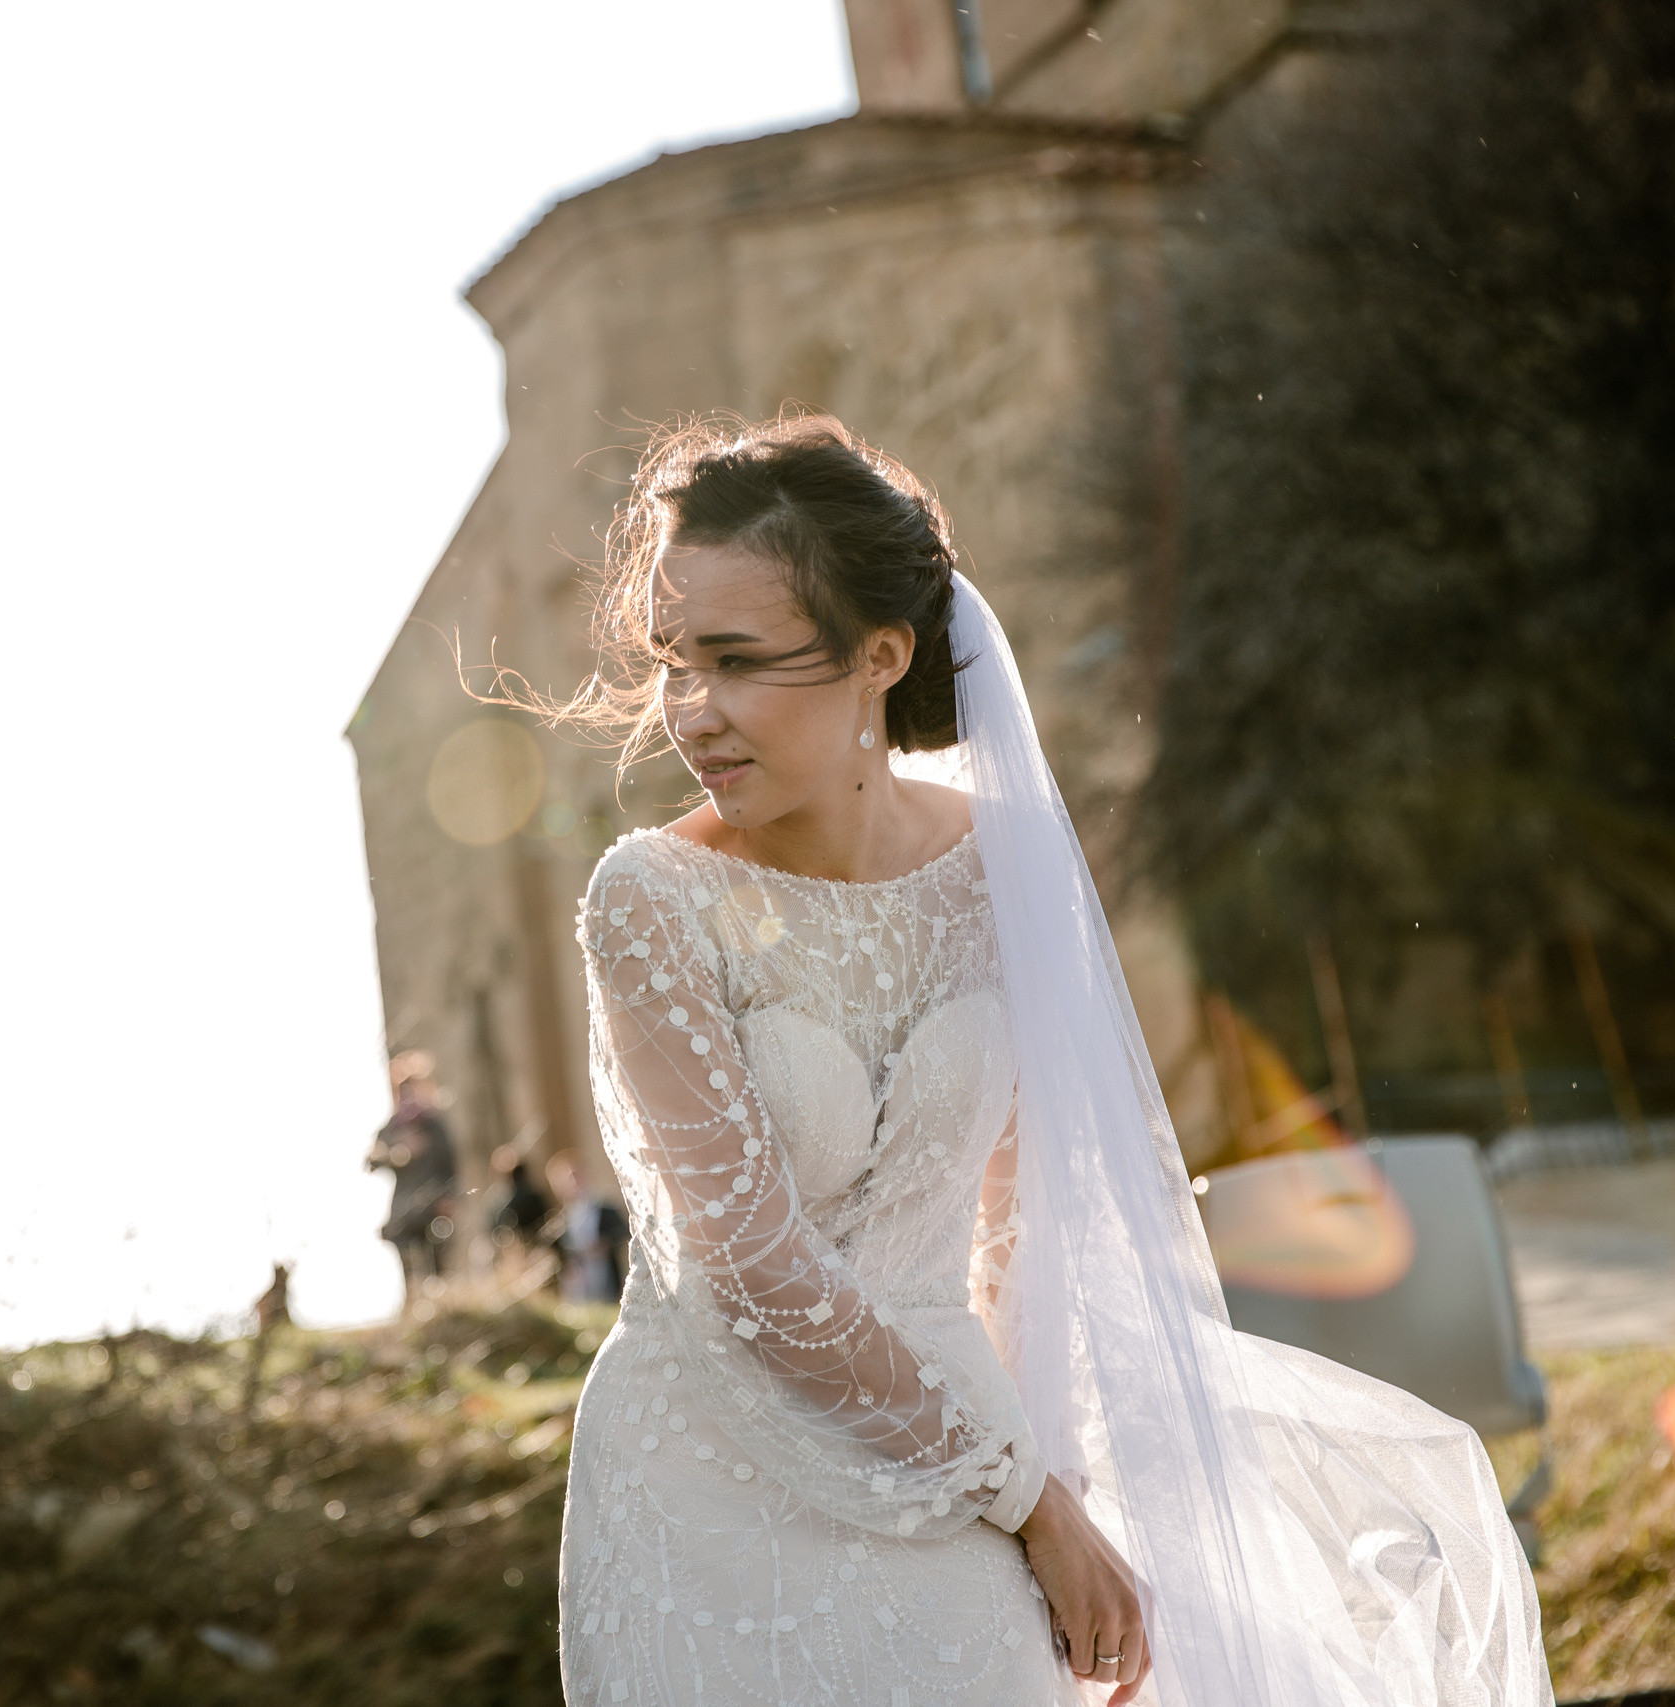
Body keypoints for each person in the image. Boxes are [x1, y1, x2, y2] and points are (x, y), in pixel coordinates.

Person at [544, 416, 1548, 1706]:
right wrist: (1036, 1506)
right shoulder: (650, 901)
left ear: (879, 657)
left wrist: (1081, 1497)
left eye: (735, 662)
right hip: (709, 1485)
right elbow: (756, 1276)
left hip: (966, 1470)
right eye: (675, 663)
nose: (691, 710)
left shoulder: (1003, 872)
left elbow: (1021, 1240)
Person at [365, 1052, 458, 1288]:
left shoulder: (434, 1125)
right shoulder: (393, 1128)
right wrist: (400, 1153)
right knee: (410, 1273)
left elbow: (451, 1165)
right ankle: (415, 1313)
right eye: (402, 1088)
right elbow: (371, 1160)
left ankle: (442, 1314)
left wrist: (451, 1198)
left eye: (411, 1087)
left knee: (439, 1271)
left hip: (434, 1207)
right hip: (405, 1211)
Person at [546, 1150, 627, 1306]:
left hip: (606, 1275)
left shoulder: (604, 1207)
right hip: (578, 1282)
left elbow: (621, 1232)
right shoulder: (561, 1218)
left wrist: (605, 1244)